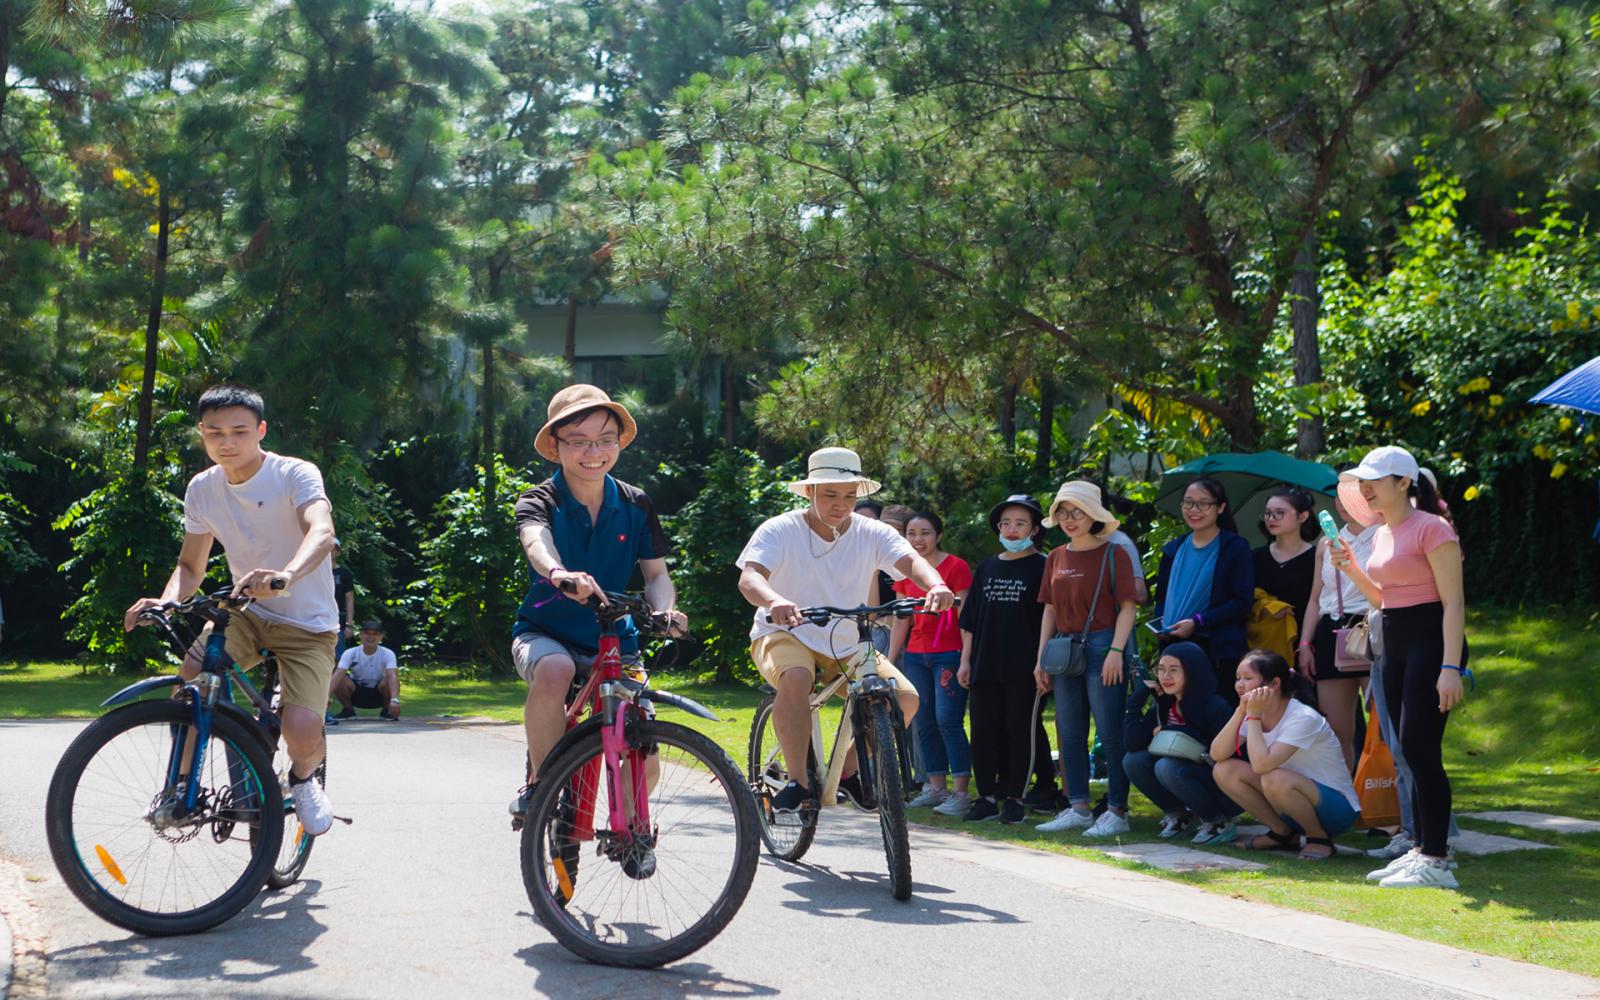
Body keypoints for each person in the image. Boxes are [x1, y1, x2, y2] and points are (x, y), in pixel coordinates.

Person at [123, 384, 338, 837]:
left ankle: (301, 779)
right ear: (201, 433)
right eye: (214, 432)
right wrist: (165, 601)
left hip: (307, 622)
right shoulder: (203, 488)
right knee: (191, 680)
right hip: (244, 613)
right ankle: (179, 790)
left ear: (260, 430)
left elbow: (321, 531)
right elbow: (190, 565)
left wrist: (285, 576)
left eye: (239, 431)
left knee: (301, 729)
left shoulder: (294, 474)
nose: (227, 442)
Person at [736, 447, 955, 814]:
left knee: (905, 699)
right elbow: (750, 577)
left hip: (846, 640)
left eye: (850, 496)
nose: (842, 504)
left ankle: (850, 771)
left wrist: (935, 585)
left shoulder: (872, 532)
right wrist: (775, 601)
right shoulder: (780, 529)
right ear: (810, 492)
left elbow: (912, 561)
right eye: (831, 495)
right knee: (795, 676)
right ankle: (798, 782)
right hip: (786, 632)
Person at [507, 385, 687, 821]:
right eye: (579, 440)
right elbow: (536, 541)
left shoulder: (635, 502)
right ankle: (543, 785)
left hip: (616, 638)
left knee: (643, 741)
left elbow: (657, 574)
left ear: (619, 443)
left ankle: (630, 829)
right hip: (545, 632)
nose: (595, 451)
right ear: (555, 446)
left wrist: (662, 611)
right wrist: (558, 573)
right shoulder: (539, 499)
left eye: (606, 439)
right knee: (555, 670)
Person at [1332, 446, 1469, 889]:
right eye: (1362, 481)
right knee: (1406, 749)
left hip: (1432, 641)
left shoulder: (1433, 528)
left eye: (1374, 480)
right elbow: (1383, 599)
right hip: (1393, 639)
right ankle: (1421, 848)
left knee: (1420, 747)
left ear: (1404, 482)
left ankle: (1436, 859)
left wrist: (1450, 666)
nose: (1365, 489)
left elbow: (1452, 603)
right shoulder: (1384, 532)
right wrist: (1351, 568)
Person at [1032, 481, 1139, 837]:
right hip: (1063, 649)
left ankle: (1117, 810)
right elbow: (1048, 610)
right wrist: (1040, 659)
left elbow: (1128, 607)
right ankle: (1077, 806)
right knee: (1069, 730)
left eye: (1077, 511)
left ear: (1093, 514)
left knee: (1110, 730)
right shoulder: (1056, 556)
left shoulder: (1114, 553)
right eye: (1063, 512)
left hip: (1103, 643)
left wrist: (1116, 652)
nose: (1069, 519)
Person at [1210, 650, 1359, 861]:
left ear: (1273, 684)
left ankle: (1319, 839)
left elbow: (1262, 766)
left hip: (1336, 810)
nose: (1240, 685)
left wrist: (1252, 715)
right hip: (1288, 797)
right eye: (1238, 679)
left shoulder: (1302, 717)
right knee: (1224, 769)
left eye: (1247, 678)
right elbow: (1217, 754)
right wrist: (1240, 712)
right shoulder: (1256, 712)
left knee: (1273, 776)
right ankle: (1283, 834)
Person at [958, 495, 1047, 824]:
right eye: (1005, 523)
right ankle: (985, 797)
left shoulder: (1043, 566)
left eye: (1020, 523)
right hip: (985, 663)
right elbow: (970, 620)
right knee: (983, 730)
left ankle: (1014, 798)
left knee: (1018, 730)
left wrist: (1042, 664)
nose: (1011, 530)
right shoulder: (986, 567)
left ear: (1034, 529)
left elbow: (1049, 619)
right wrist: (965, 661)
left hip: (1025, 667)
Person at [889, 511, 974, 816]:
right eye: (911, 533)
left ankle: (961, 794)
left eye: (925, 533)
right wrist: (890, 661)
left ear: (938, 535)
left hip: (949, 654)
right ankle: (936, 788)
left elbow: (967, 618)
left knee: (947, 720)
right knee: (922, 721)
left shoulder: (956, 567)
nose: (918, 540)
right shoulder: (904, 570)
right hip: (915, 656)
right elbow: (901, 621)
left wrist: (966, 659)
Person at [1122, 641, 1239, 843]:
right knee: (1132, 761)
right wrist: (1135, 701)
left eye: (1174, 670)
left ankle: (1218, 821)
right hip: (1183, 776)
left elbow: (1224, 752)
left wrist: (1171, 730)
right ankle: (1180, 816)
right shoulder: (1165, 703)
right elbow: (1133, 743)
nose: (1165, 677)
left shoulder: (1215, 706)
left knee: (1166, 766)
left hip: (1224, 788)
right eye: (1161, 670)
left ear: (1192, 671)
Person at [1155, 477, 1254, 704]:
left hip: (1216, 649)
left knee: (1217, 713)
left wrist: (1198, 622)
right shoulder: (1174, 548)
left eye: (1203, 503)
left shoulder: (1235, 548)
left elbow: (1242, 601)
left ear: (1220, 507)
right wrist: (1161, 625)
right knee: (1178, 714)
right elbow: (1161, 598)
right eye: (1188, 502)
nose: (1194, 510)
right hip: (1173, 646)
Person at [1298, 488, 1376, 768]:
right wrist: (1305, 644)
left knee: (1383, 723)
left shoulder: (1384, 535)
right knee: (1337, 729)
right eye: (1339, 498)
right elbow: (1315, 599)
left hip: (1371, 625)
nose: (1343, 505)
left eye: (1351, 496)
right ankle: (1348, 802)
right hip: (1331, 628)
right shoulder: (1326, 542)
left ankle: (1390, 798)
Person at [1252, 486, 1318, 639]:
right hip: (1261, 639)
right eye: (1267, 513)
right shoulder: (1255, 556)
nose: (1271, 518)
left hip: (1304, 640)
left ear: (1302, 516)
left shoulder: (1317, 557)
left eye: (1279, 513)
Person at [331, 620, 400, 720]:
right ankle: (348, 710)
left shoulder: (388, 653)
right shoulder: (350, 653)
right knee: (340, 678)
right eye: (367, 633)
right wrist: (326, 698)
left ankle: (387, 710)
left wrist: (395, 700)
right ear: (360, 635)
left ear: (381, 637)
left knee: (389, 680)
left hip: (379, 693)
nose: (370, 637)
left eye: (375, 634)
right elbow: (338, 674)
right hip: (356, 693)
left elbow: (392, 676)